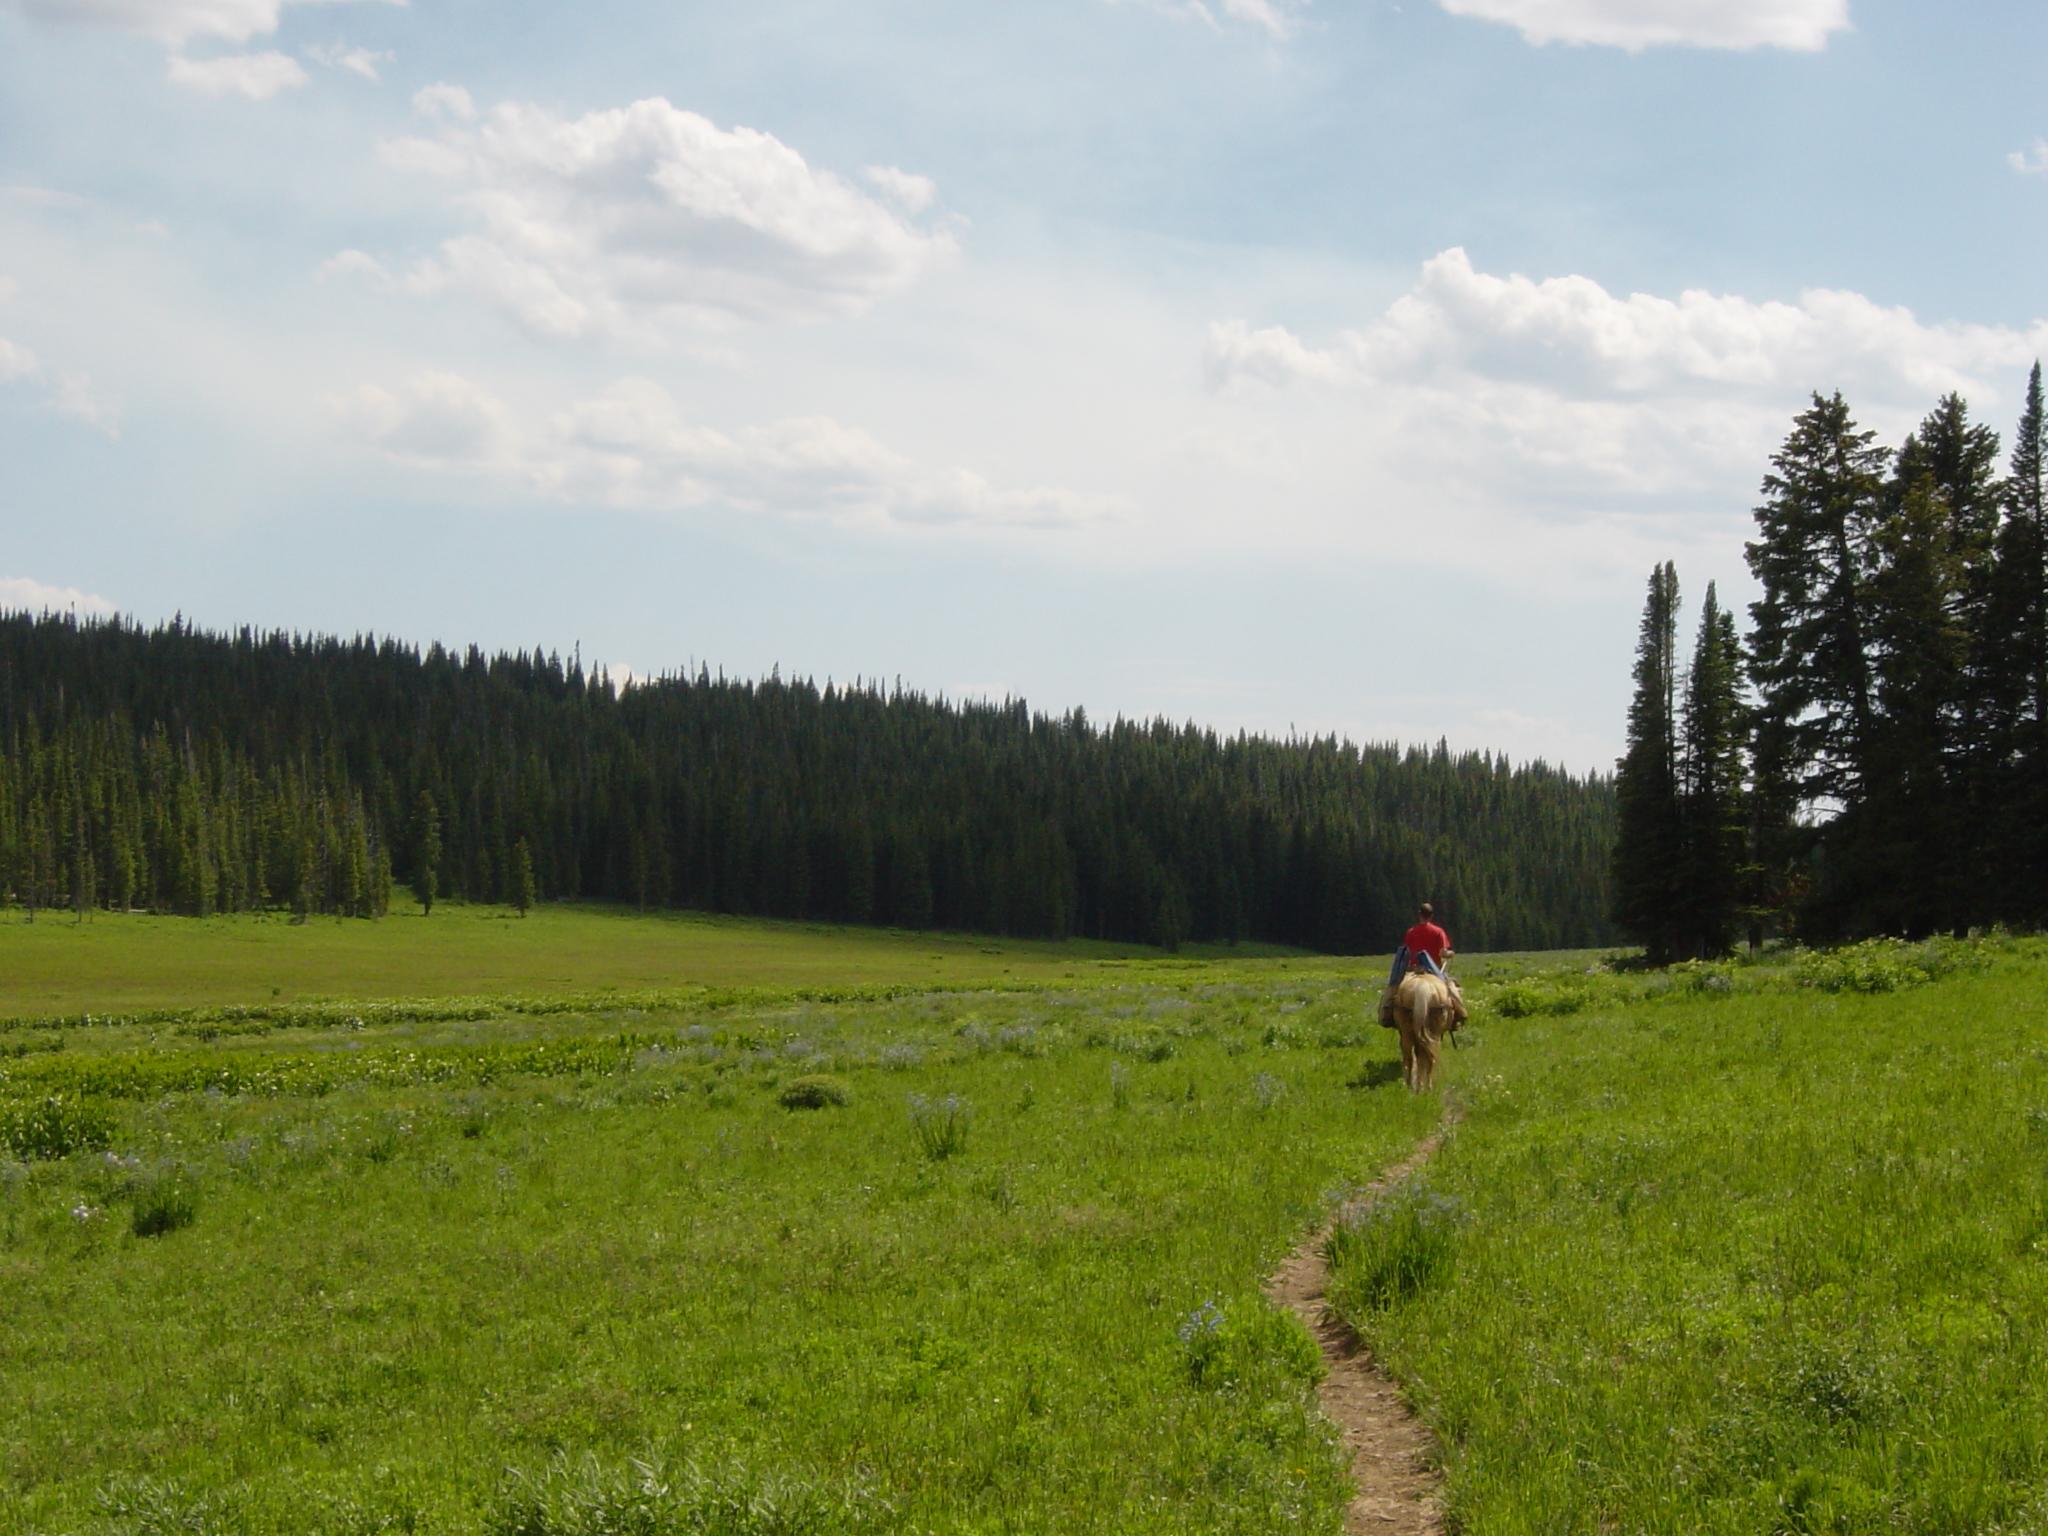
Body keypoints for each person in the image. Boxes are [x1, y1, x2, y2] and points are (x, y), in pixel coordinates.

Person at [1378, 902, 1469, 1028]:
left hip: (1414, 970)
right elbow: (1442, 952)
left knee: (1392, 989)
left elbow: (1407, 953)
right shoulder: (1438, 932)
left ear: (1419, 915)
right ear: (1431, 916)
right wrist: (1451, 953)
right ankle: (1460, 1014)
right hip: (1433, 971)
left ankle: (1385, 1014)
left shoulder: (1411, 932)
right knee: (1451, 988)